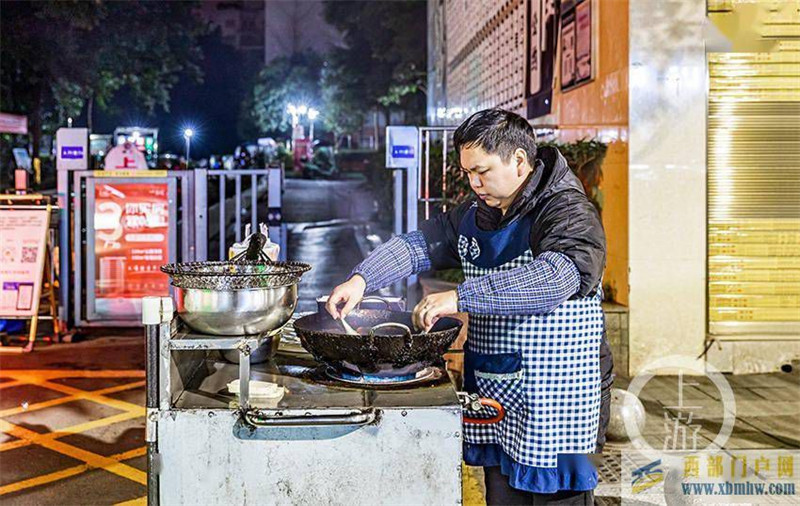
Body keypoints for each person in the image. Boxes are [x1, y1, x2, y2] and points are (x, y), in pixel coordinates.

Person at [326, 109, 613, 505]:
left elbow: (556, 278)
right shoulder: (476, 212)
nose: (474, 183)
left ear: (518, 160)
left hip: (557, 404)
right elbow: (418, 244)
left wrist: (462, 296)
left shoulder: (566, 211)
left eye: (483, 171)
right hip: (502, 392)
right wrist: (362, 278)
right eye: (468, 173)